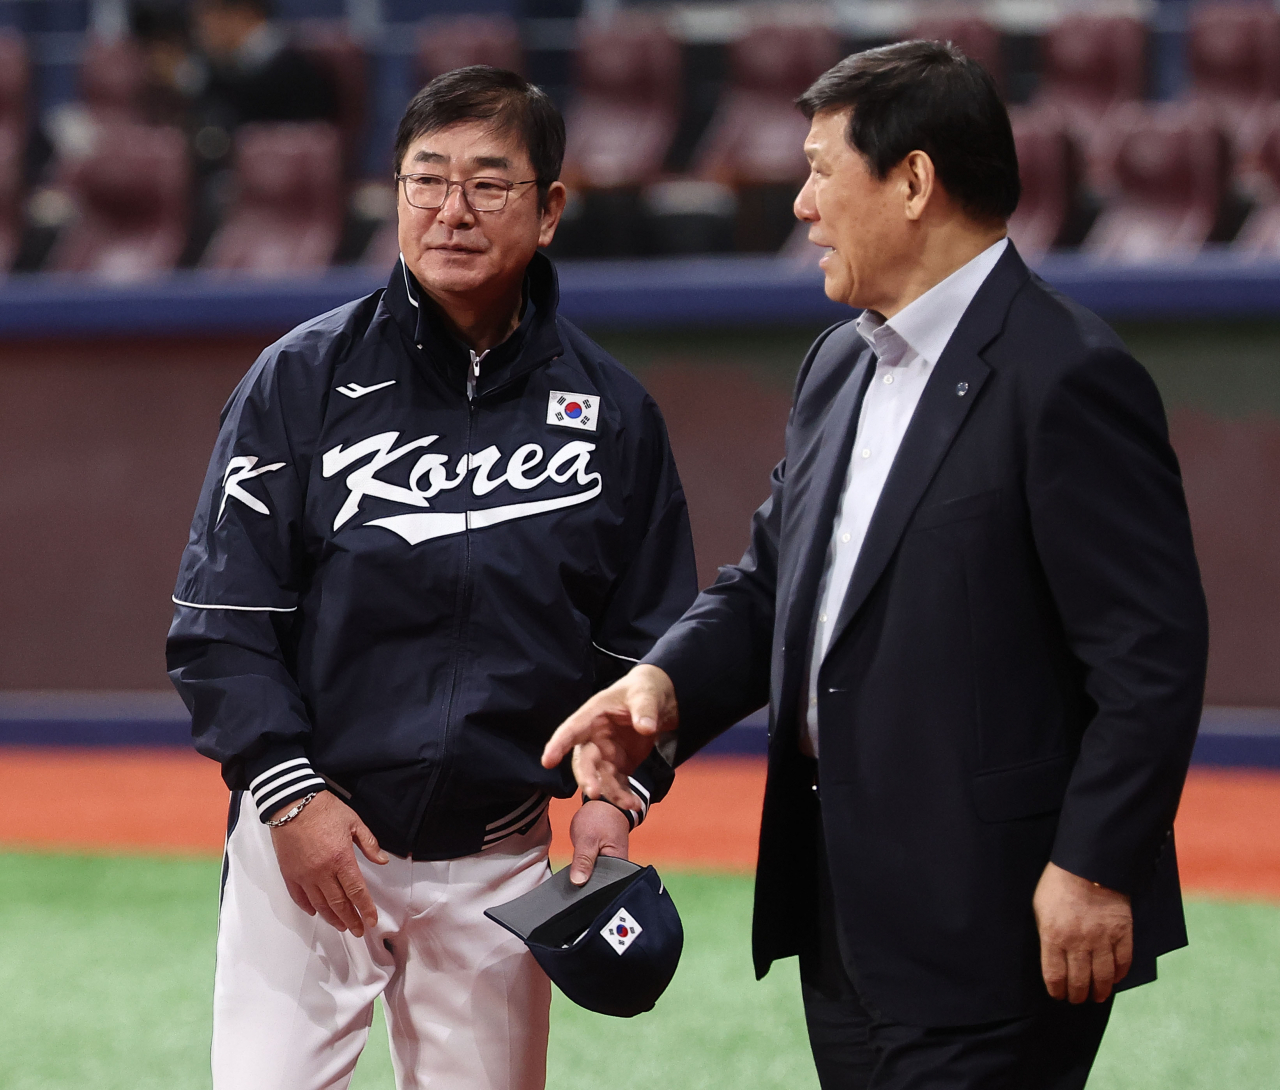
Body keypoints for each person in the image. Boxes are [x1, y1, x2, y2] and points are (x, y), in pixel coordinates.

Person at [543, 41, 1209, 1090]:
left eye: (819, 168)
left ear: (911, 182)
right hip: (840, 911)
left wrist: (1091, 864)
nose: (802, 202)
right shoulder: (836, 363)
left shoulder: (1069, 375)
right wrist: (660, 688)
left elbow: (1149, 659)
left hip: (994, 918)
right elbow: (773, 581)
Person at [167, 66, 696, 1090]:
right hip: (312, 844)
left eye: (488, 185)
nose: (450, 212)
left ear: (548, 209)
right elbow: (220, 620)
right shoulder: (300, 380)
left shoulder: (613, 414)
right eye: (424, 181)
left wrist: (616, 793)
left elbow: (646, 643)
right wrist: (288, 796)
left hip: (497, 859)